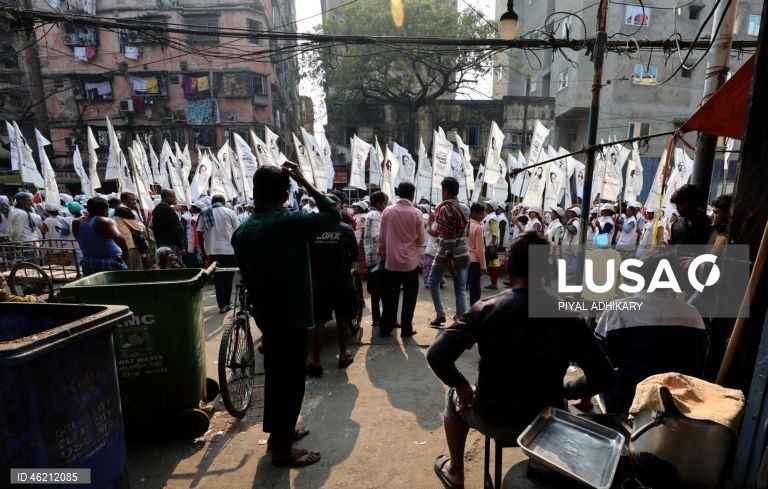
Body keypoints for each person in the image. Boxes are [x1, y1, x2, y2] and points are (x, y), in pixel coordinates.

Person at [427, 232, 614, 489]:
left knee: (453, 398)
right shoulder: (569, 317)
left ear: (510, 267)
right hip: (547, 423)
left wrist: (461, 384)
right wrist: (566, 390)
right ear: (548, 270)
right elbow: (603, 375)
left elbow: (437, 355)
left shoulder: (485, 308)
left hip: (492, 417)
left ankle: (456, 470)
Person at [232, 162, 339, 467]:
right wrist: (305, 179)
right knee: (291, 383)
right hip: (290, 315)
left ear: (254, 192)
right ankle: (281, 449)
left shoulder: (243, 230)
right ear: (285, 194)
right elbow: (332, 214)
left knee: (276, 378)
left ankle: (282, 432)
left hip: (267, 314)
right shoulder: (287, 222)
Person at [595, 248, 707, 413]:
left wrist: (584, 400)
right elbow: (697, 366)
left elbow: (595, 362)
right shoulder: (693, 315)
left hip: (626, 404)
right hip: (677, 406)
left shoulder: (618, 310)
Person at [306, 195, 359, 377]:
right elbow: (354, 256)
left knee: (318, 323)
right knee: (342, 320)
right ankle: (343, 355)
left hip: (318, 282)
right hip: (341, 281)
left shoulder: (311, 229)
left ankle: (316, 362)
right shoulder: (345, 229)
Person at [377, 181, 425, 338]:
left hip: (391, 262)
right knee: (409, 298)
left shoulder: (387, 212)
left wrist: (383, 252)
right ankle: (406, 329)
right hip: (410, 263)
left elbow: (381, 237)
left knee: (390, 297)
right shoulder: (417, 213)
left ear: (398, 193)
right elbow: (421, 241)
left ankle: (386, 328)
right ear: (413, 194)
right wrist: (410, 244)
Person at [427, 177, 471, 327]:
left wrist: (450, 258)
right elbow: (465, 233)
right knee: (461, 289)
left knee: (432, 281)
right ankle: (461, 319)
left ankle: (440, 315)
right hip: (464, 252)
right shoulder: (466, 208)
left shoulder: (446, 208)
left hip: (448, 254)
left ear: (445, 191)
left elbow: (449, 237)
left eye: (442, 190)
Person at [198, 194, 240, 313]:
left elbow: (199, 234)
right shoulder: (229, 212)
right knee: (228, 278)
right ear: (223, 202)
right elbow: (237, 231)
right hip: (229, 251)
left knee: (218, 278)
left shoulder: (204, 213)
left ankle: (222, 305)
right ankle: (227, 302)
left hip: (212, 251)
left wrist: (203, 251)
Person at [72, 197, 129, 275]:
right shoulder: (105, 221)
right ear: (105, 210)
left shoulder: (76, 222)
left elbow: (78, 238)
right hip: (109, 262)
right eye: (108, 210)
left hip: (88, 261)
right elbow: (118, 237)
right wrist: (125, 253)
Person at [363, 191, 388, 328]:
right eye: (384, 203)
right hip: (377, 258)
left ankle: (377, 319)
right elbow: (376, 236)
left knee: (376, 291)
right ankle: (379, 319)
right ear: (378, 203)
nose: (385, 206)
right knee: (380, 291)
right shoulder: (376, 215)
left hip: (371, 256)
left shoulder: (370, 214)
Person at [114, 192, 148, 270]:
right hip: (130, 244)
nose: (135, 201)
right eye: (132, 200)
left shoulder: (124, 209)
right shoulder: (123, 210)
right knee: (134, 268)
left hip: (130, 243)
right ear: (124, 200)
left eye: (135, 200)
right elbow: (138, 227)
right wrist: (143, 227)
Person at [151, 189, 185, 254]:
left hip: (162, 243)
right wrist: (181, 247)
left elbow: (155, 228)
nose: (175, 199)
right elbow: (174, 228)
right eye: (173, 197)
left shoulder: (157, 209)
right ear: (167, 197)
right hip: (171, 244)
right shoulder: (168, 210)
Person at [467, 203, 486, 306]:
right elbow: (480, 249)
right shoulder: (478, 227)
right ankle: (474, 310)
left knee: (462, 287)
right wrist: (483, 266)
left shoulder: (465, 224)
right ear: (474, 213)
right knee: (474, 288)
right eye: (481, 214)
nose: (482, 216)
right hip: (474, 260)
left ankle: (461, 310)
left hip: (464, 258)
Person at [482, 201, 501, 290]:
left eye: (487, 205)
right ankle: (494, 283)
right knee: (492, 264)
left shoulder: (493, 218)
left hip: (489, 244)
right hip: (487, 243)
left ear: (491, 207)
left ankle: (494, 283)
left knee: (484, 263)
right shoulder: (489, 216)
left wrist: (493, 245)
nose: (485, 206)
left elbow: (494, 232)